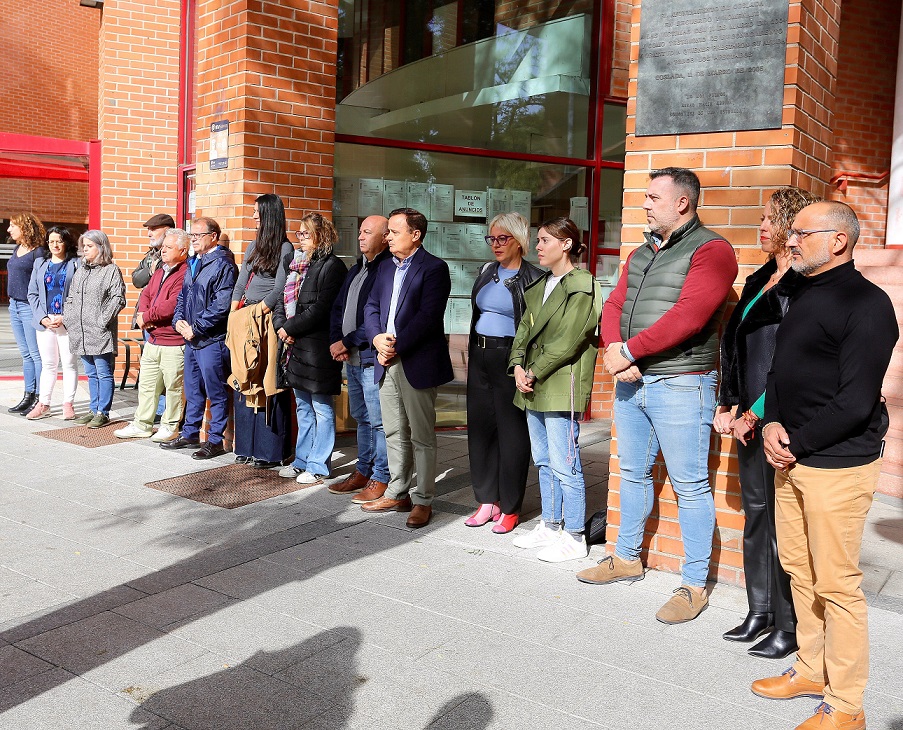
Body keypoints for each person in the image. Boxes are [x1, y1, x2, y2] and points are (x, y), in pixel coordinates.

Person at [752, 202, 898, 730]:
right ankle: (811, 669)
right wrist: (768, 422)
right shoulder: (802, 292)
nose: (790, 240)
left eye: (800, 232)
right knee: (800, 571)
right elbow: (780, 370)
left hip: (835, 463)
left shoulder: (869, 305)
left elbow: (857, 400)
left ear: (838, 241)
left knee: (836, 584)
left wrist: (797, 443)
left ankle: (846, 706)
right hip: (790, 454)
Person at [576, 167, 738, 625]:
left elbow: (691, 315)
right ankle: (625, 557)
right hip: (632, 380)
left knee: (690, 486)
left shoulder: (713, 249)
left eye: (652, 197)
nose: (644, 204)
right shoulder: (643, 250)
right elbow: (614, 304)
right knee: (631, 472)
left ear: (682, 202)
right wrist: (615, 351)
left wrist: (629, 350)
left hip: (682, 381)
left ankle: (693, 584)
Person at [713, 187, 820, 659]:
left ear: (790, 224)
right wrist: (727, 403)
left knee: (783, 524)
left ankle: (789, 622)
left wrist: (755, 411)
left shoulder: (802, 283)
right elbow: (737, 349)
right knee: (756, 514)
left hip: (779, 417)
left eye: (768, 219)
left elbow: (788, 360)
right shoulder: (760, 278)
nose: (760, 227)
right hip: (746, 418)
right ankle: (760, 610)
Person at [508, 217, 602, 561]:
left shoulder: (582, 284)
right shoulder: (542, 284)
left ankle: (575, 536)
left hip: (560, 382)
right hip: (533, 382)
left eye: (545, 239)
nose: (538, 246)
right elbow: (523, 328)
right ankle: (550, 526)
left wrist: (532, 370)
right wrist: (517, 365)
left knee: (565, 462)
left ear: (566, 244)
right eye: (538, 240)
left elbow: (569, 339)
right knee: (544, 460)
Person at [360, 207, 453, 528]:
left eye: (394, 232)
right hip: (385, 359)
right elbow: (371, 306)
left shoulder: (435, 268)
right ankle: (398, 492)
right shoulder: (385, 268)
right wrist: (376, 339)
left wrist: (393, 346)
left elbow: (428, 318)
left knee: (422, 435)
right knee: (393, 430)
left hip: (416, 360)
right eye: (387, 232)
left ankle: (424, 499)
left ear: (416, 235)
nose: (388, 237)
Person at [465, 212, 543, 534]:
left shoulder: (535, 278)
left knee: (512, 434)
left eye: (502, 238)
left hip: (512, 359)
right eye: (491, 239)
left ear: (519, 239)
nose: (495, 245)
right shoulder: (486, 272)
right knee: (481, 429)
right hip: (481, 356)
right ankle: (487, 500)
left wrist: (528, 366)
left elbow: (539, 329)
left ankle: (510, 506)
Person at [273, 213, 348, 484]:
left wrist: (290, 329)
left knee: (321, 408)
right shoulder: (296, 264)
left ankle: (318, 465)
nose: (300, 239)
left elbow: (323, 308)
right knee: (302, 408)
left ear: (321, 235)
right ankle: (302, 459)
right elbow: (282, 299)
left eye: (305, 234)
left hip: (317, 347)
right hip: (295, 346)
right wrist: (282, 326)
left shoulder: (333, 267)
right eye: (299, 234)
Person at [327, 215, 392, 499]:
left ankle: (382, 476)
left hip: (368, 356)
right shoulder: (357, 268)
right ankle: (363, 469)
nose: (361, 237)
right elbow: (338, 307)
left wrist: (347, 341)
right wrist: (335, 340)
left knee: (378, 420)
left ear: (384, 236)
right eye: (360, 232)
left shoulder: (387, 269)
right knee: (361, 417)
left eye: (368, 232)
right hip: (351, 357)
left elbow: (376, 319)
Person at [228, 194, 295, 468]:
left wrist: (258, 313)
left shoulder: (286, 248)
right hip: (244, 318)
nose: (253, 216)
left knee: (268, 381)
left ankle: (270, 450)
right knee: (243, 378)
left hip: (266, 320)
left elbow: (280, 288)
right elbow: (241, 283)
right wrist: (235, 316)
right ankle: (245, 446)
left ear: (269, 215)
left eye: (257, 212)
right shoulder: (253, 245)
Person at [164, 217, 238, 459]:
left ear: (213, 236)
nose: (193, 239)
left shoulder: (223, 264)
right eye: (191, 235)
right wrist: (178, 322)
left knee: (216, 392)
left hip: (211, 340)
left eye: (198, 235)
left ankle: (215, 440)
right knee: (193, 389)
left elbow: (222, 304)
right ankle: (190, 433)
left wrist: (196, 328)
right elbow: (183, 298)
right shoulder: (195, 261)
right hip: (191, 339)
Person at [114, 229, 189, 442]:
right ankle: (142, 424)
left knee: (174, 388)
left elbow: (172, 305)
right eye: (163, 246)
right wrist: (143, 314)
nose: (162, 250)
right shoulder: (160, 270)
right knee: (147, 385)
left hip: (173, 342)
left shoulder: (186, 273)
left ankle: (170, 426)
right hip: (153, 339)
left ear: (183, 250)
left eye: (168, 247)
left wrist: (146, 316)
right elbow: (146, 293)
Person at [63, 230, 126, 428]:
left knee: (103, 372)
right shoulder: (81, 270)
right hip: (80, 331)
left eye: (89, 246)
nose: (85, 250)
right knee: (90, 374)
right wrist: (69, 319)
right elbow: (71, 297)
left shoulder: (111, 270)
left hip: (100, 331)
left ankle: (103, 412)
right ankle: (93, 409)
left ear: (101, 247)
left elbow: (118, 298)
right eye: (84, 246)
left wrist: (102, 320)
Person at [25, 227, 80, 420]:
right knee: (48, 364)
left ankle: (68, 404)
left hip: (67, 321)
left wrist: (66, 316)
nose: (55, 245)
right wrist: (41, 317)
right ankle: (44, 403)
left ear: (66, 242)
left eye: (59, 241)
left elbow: (80, 294)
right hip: (45, 321)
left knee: (69, 364)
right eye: (51, 241)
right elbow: (32, 293)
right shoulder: (40, 263)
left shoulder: (76, 263)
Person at [6, 213, 46, 415]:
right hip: (14, 306)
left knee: (35, 355)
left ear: (25, 227)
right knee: (26, 355)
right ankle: (28, 394)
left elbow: (40, 283)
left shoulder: (38, 253)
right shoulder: (17, 249)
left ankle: (40, 398)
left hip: (29, 308)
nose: (8, 229)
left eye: (13, 225)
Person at [132, 213, 175, 289]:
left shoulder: (175, 254)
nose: (149, 234)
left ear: (167, 231)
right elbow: (136, 280)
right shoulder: (152, 254)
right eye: (148, 229)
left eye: (153, 229)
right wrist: (150, 271)